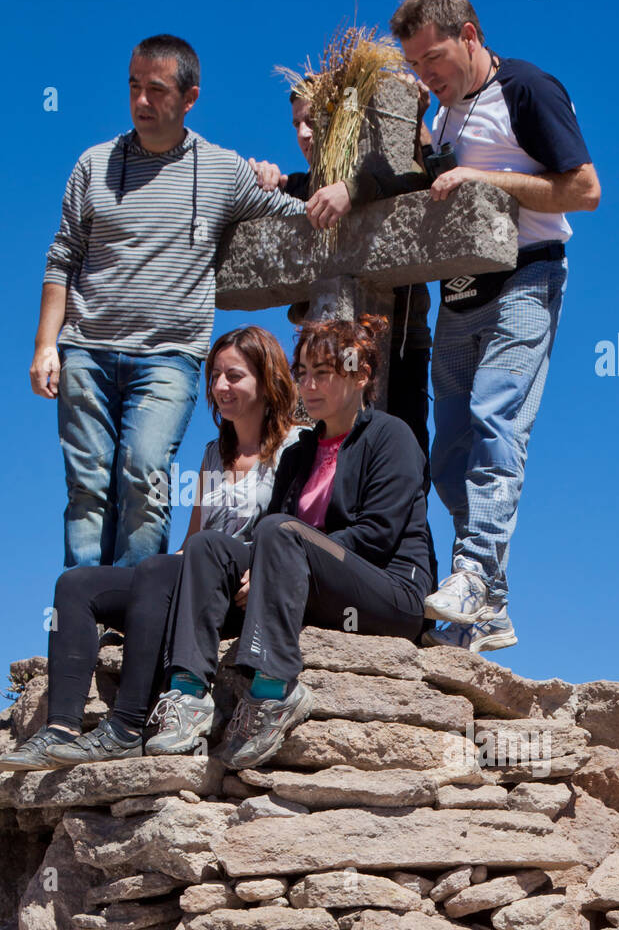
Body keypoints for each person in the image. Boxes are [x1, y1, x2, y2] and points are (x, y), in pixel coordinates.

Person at [30, 34, 306, 571]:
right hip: (85, 350)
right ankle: (85, 615)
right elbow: (61, 256)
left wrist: (283, 178)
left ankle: (133, 617)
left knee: (146, 476)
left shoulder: (222, 170)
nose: (141, 102)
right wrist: (46, 346)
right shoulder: (93, 164)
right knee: (87, 486)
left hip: (168, 357)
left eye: (156, 90)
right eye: (134, 87)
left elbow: (295, 213)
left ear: (189, 97)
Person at [388, 0, 600, 652]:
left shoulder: (528, 88)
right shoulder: (445, 113)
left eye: (434, 59)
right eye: (415, 65)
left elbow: (585, 191)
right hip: (459, 290)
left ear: (470, 34)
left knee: (493, 416)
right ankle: (494, 603)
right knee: (448, 450)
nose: (426, 75)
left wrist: (493, 183)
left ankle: (474, 573)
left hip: (527, 275)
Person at [0, 327, 300, 769]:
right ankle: (59, 728)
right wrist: (161, 567)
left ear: (267, 379)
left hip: (239, 590)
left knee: (159, 573)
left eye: (234, 376)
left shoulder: (294, 445)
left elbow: (297, 529)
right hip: (194, 574)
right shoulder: (216, 452)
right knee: (77, 584)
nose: (219, 387)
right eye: (214, 375)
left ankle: (127, 727)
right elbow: (193, 538)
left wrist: (265, 572)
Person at [145, 315, 433, 770]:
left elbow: (376, 536)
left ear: (360, 376)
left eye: (323, 373)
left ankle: (271, 691)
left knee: (281, 531)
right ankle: (187, 693)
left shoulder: (390, 436)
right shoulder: (299, 452)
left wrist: (276, 563)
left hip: (388, 592)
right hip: (315, 584)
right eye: (302, 373)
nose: (309, 385)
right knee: (207, 547)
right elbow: (271, 539)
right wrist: (258, 568)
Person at [250, 79, 434, 458]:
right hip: (322, 349)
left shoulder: (388, 177)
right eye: (296, 124)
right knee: (319, 459)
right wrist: (260, 178)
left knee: (405, 459)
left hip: (399, 340)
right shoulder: (298, 189)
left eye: (314, 122)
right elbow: (252, 205)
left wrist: (413, 121)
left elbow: (421, 177)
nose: (303, 133)